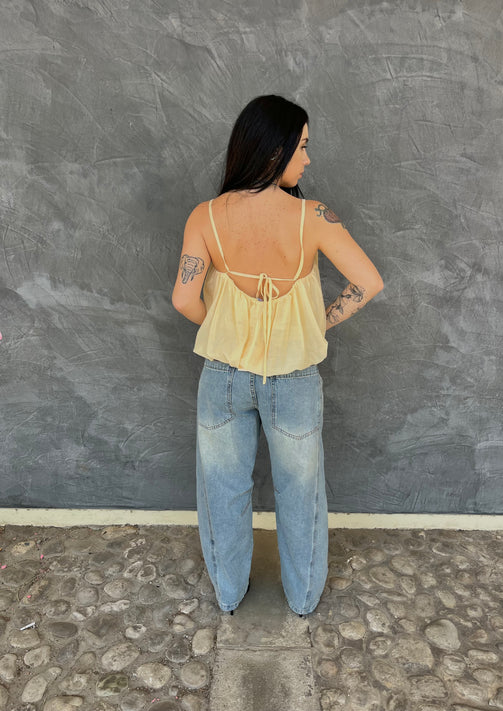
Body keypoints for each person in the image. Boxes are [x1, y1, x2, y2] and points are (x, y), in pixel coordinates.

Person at [172, 95, 383, 616]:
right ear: (274, 150)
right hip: (293, 378)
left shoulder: (205, 216)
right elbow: (368, 282)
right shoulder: (313, 216)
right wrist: (315, 323)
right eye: (302, 147)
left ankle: (228, 593)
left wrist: (227, 328)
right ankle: (304, 597)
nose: (307, 159)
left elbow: (184, 300)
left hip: (222, 376)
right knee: (301, 492)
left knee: (222, 490)